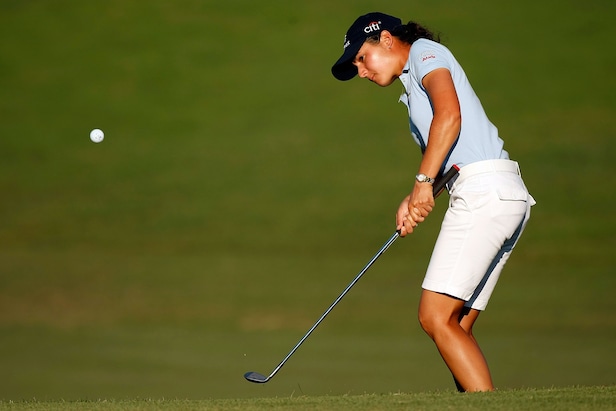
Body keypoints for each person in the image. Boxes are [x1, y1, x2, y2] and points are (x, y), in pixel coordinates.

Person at [331, 12, 535, 392]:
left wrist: (423, 182)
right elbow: (450, 156)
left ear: (387, 40)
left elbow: (450, 115)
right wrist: (415, 198)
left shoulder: (426, 53)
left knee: (434, 317)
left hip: (485, 192)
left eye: (362, 58)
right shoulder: (410, 88)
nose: (360, 71)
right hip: (499, 193)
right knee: (454, 326)